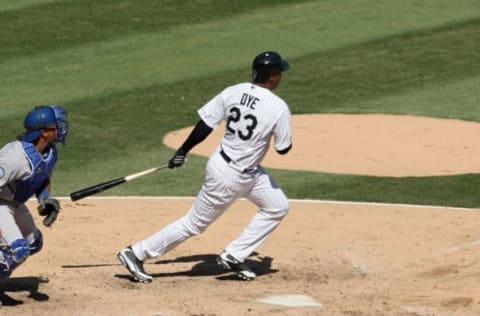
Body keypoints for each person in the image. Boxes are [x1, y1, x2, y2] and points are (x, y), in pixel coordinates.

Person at [118, 51, 292, 282]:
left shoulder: (233, 91)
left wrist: (182, 151)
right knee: (194, 224)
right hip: (230, 177)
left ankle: (234, 255)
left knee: (277, 206)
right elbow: (283, 148)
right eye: (279, 73)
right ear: (273, 77)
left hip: (239, 169)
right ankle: (136, 253)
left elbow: (206, 124)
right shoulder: (278, 107)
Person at [0, 105, 69, 285]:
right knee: (18, 250)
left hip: (14, 204)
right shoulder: (14, 157)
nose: (61, 129)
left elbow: (42, 178)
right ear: (44, 133)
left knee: (33, 243)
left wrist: (44, 199)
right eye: (56, 126)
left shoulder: (50, 152)